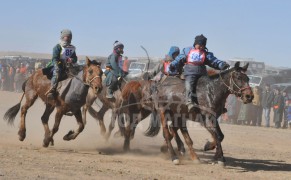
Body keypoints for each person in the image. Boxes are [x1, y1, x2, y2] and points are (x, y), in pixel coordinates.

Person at [169, 34, 230, 112]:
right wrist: (173, 64)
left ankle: (218, 105)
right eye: (199, 45)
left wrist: (221, 64)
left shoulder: (205, 54)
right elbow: (179, 59)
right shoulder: (187, 51)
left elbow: (214, 61)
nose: (201, 47)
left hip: (202, 74)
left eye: (203, 45)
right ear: (195, 44)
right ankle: (189, 102)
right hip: (190, 73)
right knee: (189, 85)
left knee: (210, 86)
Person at [47, 29, 77, 99]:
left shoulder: (71, 48)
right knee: (56, 72)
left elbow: (75, 58)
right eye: (67, 36)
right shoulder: (57, 47)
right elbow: (54, 58)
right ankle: (52, 89)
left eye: (70, 37)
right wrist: (57, 66)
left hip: (68, 66)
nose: (68, 38)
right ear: (63, 37)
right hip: (57, 64)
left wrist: (72, 59)